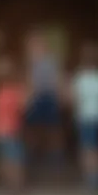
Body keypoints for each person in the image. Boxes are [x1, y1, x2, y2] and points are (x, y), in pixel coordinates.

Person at [71, 44, 98, 190]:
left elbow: (75, 99)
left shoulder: (81, 79)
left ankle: (91, 180)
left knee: (87, 149)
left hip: (85, 117)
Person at [25, 29, 64, 167]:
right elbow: (29, 81)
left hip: (49, 96)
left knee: (53, 127)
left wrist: (60, 97)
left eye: (37, 44)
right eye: (31, 45)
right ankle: (33, 152)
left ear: (43, 46)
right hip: (36, 97)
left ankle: (56, 154)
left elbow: (58, 79)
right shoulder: (31, 62)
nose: (34, 48)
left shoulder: (51, 60)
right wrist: (28, 97)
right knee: (33, 125)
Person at [0, 57, 26, 190]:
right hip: (11, 130)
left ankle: (7, 183)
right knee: (16, 158)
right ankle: (16, 185)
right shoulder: (15, 93)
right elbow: (23, 107)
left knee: (3, 158)